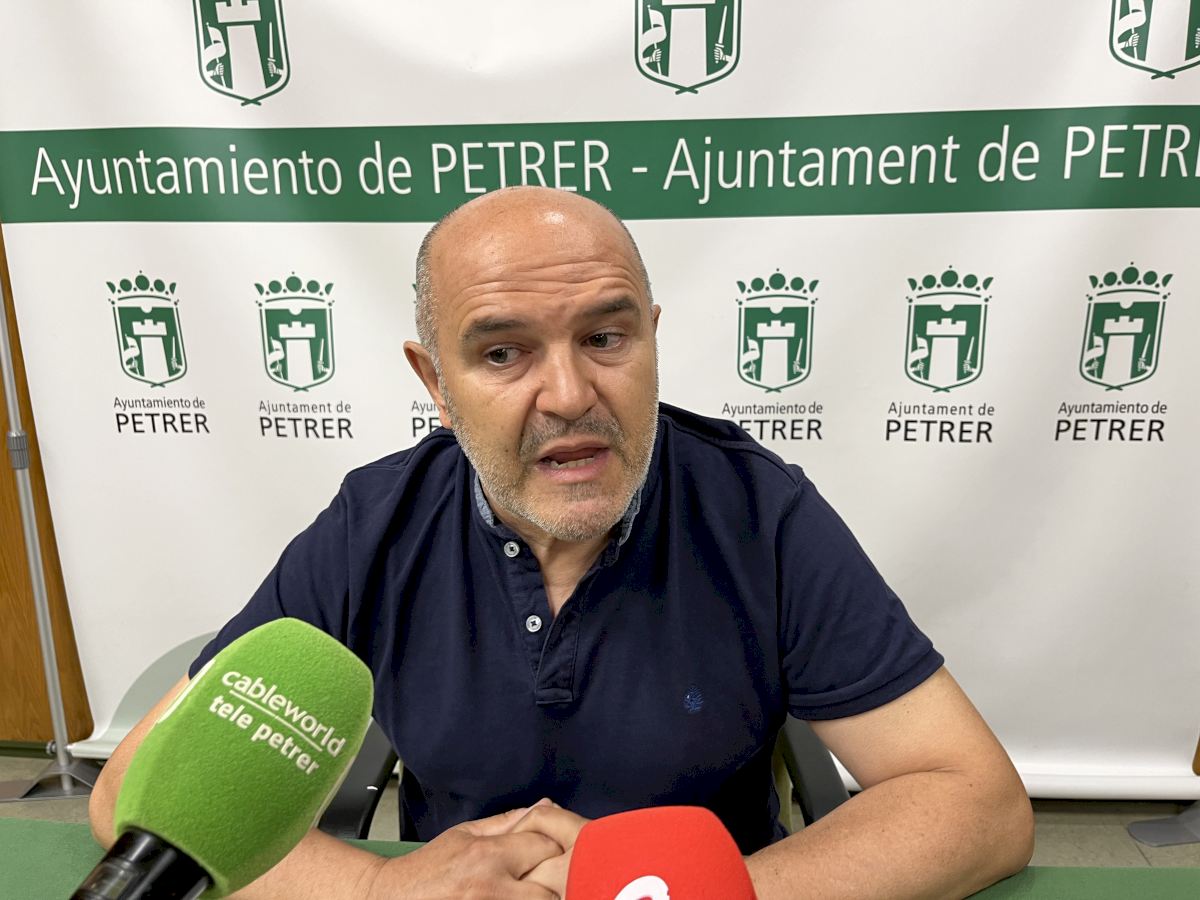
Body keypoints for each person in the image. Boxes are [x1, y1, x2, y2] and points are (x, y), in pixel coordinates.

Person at [91, 186, 1034, 899]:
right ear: (436, 383)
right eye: (503, 353)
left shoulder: (762, 513)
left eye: (606, 338)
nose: (571, 395)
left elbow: (977, 803)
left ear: (651, 340)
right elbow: (134, 798)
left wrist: (673, 891)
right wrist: (379, 887)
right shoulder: (374, 523)